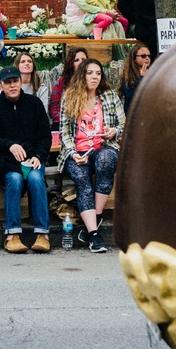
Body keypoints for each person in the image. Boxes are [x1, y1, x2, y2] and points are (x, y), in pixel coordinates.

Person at [0, 65, 51, 254]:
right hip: (7, 161)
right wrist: (9, 145)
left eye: (15, 81)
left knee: (36, 179)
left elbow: (45, 136)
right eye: (8, 82)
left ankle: (42, 233)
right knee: (14, 179)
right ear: (1, 85)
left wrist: (39, 156)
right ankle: (12, 234)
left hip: (33, 158)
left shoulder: (34, 104)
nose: (12, 85)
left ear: (21, 82)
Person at [59, 58, 122, 254]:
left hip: (102, 147)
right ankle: (94, 233)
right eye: (90, 73)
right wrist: (73, 153)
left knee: (106, 160)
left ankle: (94, 219)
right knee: (81, 177)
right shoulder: (69, 97)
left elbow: (124, 123)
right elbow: (64, 133)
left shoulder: (110, 96)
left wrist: (114, 131)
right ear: (82, 75)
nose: (94, 77)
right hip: (76, 151)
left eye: (98, 73)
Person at [119, 44, 153, 111]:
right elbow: (132, 97)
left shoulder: (152, 72)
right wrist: (142, 78)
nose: (147, 58)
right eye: (143, 56)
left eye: (149, 56)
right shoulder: (127, 75)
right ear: (134, 59)